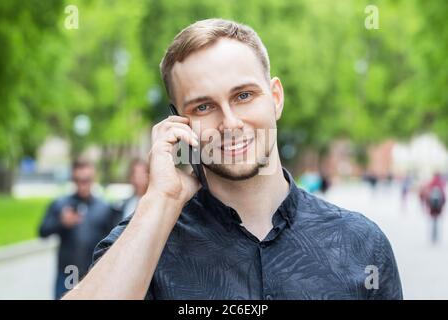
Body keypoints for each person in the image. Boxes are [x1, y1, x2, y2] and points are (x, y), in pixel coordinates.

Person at [64, 18, 402, 300]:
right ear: (178, 123)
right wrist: (160, 198)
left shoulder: (361, 245)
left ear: (275, 98)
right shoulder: (145, 243)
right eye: (203, 106)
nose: (230, 123)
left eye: (243, 95)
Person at [39, 159, 114, 299]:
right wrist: (61, 222)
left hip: (94, 274)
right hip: (67, 273)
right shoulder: (61, 204)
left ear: (93, 179)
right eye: (78, 180)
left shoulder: (104, 208)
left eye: (86, 180)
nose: (82, 185)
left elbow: (113, 242)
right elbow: (42, 231)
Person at [112, 159, 149, 223]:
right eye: (134, 175)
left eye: (140, 175)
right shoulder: (124, 205)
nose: (137, 179)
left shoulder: (154, 204)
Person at [424, 173, 446, 243]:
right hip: (438, 208)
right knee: (436, 221)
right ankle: (436, 236)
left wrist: (427, 205)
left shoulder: (431, 183)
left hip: (432, 207)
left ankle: (432, 236)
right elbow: (444, 197)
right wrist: (442, 206)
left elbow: (427, 195)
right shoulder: (440, 184)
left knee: (433, 221)